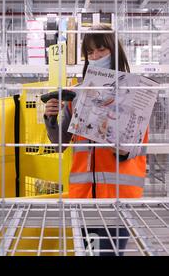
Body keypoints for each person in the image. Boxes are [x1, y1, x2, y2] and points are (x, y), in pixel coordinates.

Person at [43, 24, 148, 256]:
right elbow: (60, 142)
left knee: (110, 254)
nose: (95, 57)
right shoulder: (77, 93)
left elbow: (133, 148)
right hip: (83, 197)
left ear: (114, 51)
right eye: (90, 53)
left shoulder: (135, 92)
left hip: (118, 198)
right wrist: (51, 118)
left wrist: (111, 131)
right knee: (89, 254)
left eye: (101, 50)